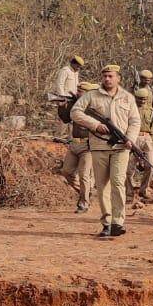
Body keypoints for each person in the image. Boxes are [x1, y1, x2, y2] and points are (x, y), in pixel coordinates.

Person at [70, 64, 140, 238]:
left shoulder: (127, 97)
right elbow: (75, 112)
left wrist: (130, 138)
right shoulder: (92, 96)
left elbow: (135, 121)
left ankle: (118, 222)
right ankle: (107, 223)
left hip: (121, 147)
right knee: (102, 187)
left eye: (111, 76)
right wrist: (95, 125)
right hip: (99, 147)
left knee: (117, 182)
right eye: (105, 76)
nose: (107, 79)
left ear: (118, 78)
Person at [59, 80, 98, 212]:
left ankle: (84, 203)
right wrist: (62, 106)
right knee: (66, 172)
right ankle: (85, 193)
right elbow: (65, 119)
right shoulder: (75, 105)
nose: (77, 92)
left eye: (80, 91)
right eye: (78, 90)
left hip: (87, 146)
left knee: (84, 175)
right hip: (74, 144)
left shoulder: (93, 108)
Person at [131, 76, 153, 201]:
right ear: (135, 98)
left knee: (150, 166)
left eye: (144, 99)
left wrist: (152, 139)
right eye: (139, 98)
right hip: (133, 138)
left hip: (147, 137)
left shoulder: (151, 111)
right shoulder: (129, 109)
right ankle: (128, 193)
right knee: (128, 168)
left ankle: (143, 190)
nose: (142, 101)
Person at [50, 55, 84, 138]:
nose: (78, 68)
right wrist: (62, 98)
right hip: (64, 97)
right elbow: (60, 84)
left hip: (73, 98)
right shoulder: (65, 70)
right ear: (73, 63)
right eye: (77, 65)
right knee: (63, 118)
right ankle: (58, 137)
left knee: (72, 117)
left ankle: (70, 138)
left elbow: (76, 85)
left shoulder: (75, 72)